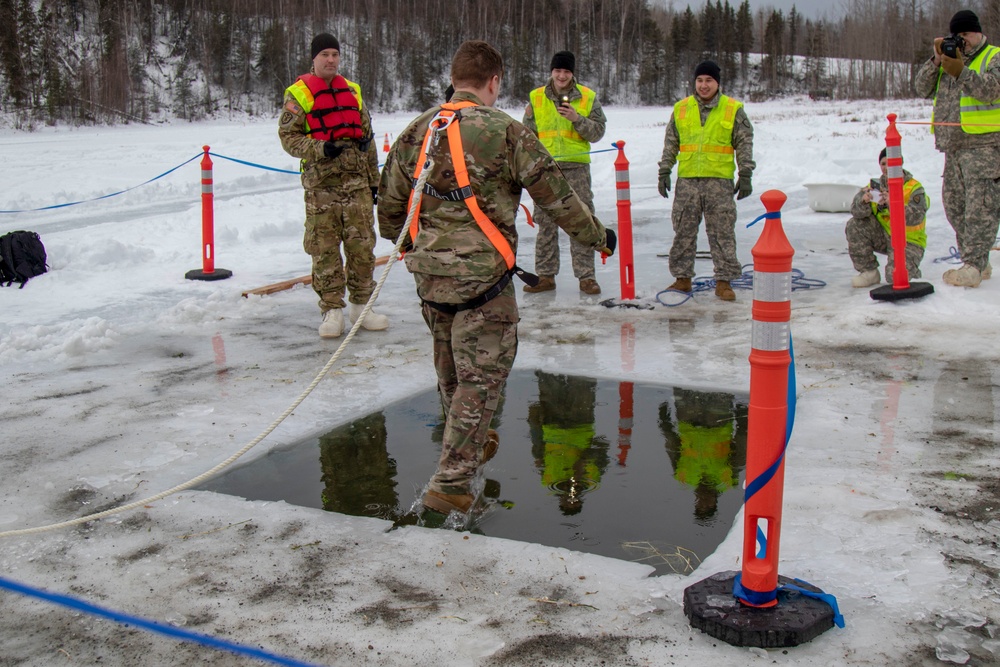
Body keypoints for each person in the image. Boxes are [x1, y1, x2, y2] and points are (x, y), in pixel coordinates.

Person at [377, 40, 615, 515]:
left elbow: (388, 207)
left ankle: (465, 447)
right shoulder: (505, 131)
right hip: (484, 284)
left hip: (431, 279)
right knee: (479, 381)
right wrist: (597, 237)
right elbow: (557, 197)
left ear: (454, 77)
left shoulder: (417, 130)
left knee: (451, 375)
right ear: (493, 82)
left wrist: (408, 247)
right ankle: (452, 484)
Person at [278, 32, 388, 337]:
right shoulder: (298, 94)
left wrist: (374, 181)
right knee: (324, 251)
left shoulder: (352, 91)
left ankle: (362, 307)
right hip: (321, 189)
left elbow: (367, 138)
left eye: (335, 54)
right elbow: (288, 138)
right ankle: (331, 311)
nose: (330, 60)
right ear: (314, 58)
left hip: (357, 188)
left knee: (362, 249)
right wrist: (319, 148)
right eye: (325, 54)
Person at [914, 9, 1000, 288]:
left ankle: (973, 265)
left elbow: (992, 90)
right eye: (957, 35)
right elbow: (921, 88)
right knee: (955, 208)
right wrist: (937, 60)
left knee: (980, 209)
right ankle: (977, 261)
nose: (962, 40)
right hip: (953, 147)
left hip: (984, 145)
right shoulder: (949, 59)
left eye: (966, 35)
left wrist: (962, 72)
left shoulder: (994, 57)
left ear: (978, 32)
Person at [656, 60, 755, 301]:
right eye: (699, 80)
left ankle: (724, 281)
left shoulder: (732, 109)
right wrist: (665, 170)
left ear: (717, 83)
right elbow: (671, 143)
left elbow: (744, 142)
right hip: (688, 181)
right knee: (683, 231)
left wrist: (746, 174)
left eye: (708, 80)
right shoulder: (681, 108)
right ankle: (682, 279)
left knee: (722, 232)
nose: (703, 85)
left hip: (719, 182)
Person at [522, 51, 608, 295]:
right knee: (546, 222)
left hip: (577, 170)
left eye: (566, 72)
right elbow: (526, 136)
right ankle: (546, 277)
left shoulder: (588, 97)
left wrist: (576, 119)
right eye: (558, 71)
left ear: (573, 73)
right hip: (546, 170)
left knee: (581, 221)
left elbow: (598, 132)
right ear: (552, 71)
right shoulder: (536, 98)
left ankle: (586, 277)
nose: (562, 76)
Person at [846, 148, 929, 287]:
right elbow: (855, 211)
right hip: (885, 237)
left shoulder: (914, 188)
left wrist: (893, 203)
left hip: (909, 241)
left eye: (891, 163)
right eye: (883, 164)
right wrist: (864, 201)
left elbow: (916, 217)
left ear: (900, 163)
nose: (886, 168)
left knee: (895, 278)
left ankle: (912, 270)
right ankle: (869, 272)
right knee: (854, 225)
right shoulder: (874, 186)